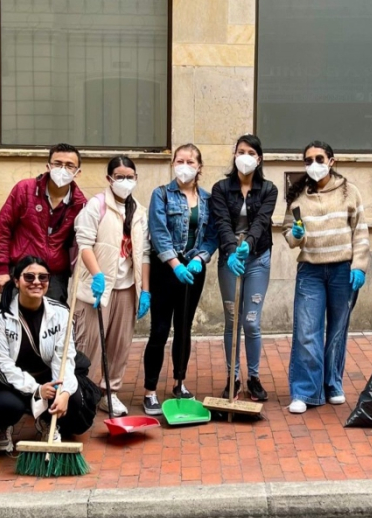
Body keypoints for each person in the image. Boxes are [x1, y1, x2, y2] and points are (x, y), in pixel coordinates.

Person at [283, 141, 369, 414]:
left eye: (319, 158)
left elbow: (361, 231)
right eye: (308, 160)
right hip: (311, 270)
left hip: (343, 270)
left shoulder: (349, 192)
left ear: (331, 160)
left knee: (337, 331)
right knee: (307, 331)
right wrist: (295, 236)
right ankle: (305, 391)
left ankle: (332, 383)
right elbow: (289, 232)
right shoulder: (298, 196)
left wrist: (360, 266)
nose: (314, 165)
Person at [0, 256, 98, 453]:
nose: (36, 282)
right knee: (7, 406)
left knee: (72, 400)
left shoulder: (62, 313)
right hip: (11, 382)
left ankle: (47, 421)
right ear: (16, 281)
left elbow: (64, 358)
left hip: (48, 378)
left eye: (43, 277)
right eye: (29, 277)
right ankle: (3, 426)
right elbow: (3, 365)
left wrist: (63, 392)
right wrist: (36, 389)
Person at [73, 156, 151, 416]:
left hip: (127, 288)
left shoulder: (139, 211)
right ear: (109, 179)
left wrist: (145, 290)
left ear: (136, 178)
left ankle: (110, 392)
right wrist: (96, 275)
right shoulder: (96, 206)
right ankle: (80, 392)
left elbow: (145, 254)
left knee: (120, 344)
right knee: (90, 343)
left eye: (130, 176)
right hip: (97, 289)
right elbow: (84, 245)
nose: (125, 181)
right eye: (119, 176)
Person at [143, 144, 218, 410]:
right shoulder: (161, 195)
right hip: (166, 270)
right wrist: (175, 264)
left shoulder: (208, 199)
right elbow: (158, 231)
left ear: (199, 167)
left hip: (194, 271)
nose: (184, 166)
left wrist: (199, 258)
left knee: (184, 329)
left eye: (190, 161)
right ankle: (150, 389)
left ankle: (179, 382)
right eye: (179, 160)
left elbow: (212, 235)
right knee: (160, 330)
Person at [209, 134, 278, 402]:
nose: (245, 157)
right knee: (232, 321)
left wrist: (248, 244)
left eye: (250, 152)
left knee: (251, 322)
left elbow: (262, 220)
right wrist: (230, 252)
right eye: (240, 151)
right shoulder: (221, 189)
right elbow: (222, 222)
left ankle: (255, 378)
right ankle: (233, 378)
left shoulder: (269, 189)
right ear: (234, 155)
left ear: (258, 158)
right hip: (230, 261)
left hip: (257, 258)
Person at [0, 143, 88, 304]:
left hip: (55, 277)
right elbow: (2, 229)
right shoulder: (25, 190)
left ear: (77, 172)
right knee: (16, 322)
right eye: (58, 163)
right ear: (48, 166)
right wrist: (2, 269)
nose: (63, 169)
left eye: (70, 165)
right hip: (22, 270)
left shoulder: (81, 204)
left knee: (52, 324)